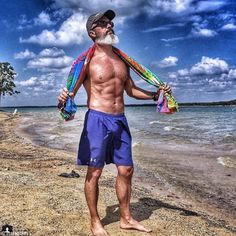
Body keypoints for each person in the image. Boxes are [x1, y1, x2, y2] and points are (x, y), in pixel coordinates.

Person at [58, 9, 171, 236]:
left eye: (110, 22)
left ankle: (126, 218)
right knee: (95, 172)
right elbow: (70, 92)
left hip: (120, 120)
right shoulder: (86, 61)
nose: (109, 25)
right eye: (103, 23)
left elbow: (130, 91)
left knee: (126, 169)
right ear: (92, 32)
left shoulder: (122, 60)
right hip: (97, 120)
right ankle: (95, 221)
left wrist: (153, 94)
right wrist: (62, 100)